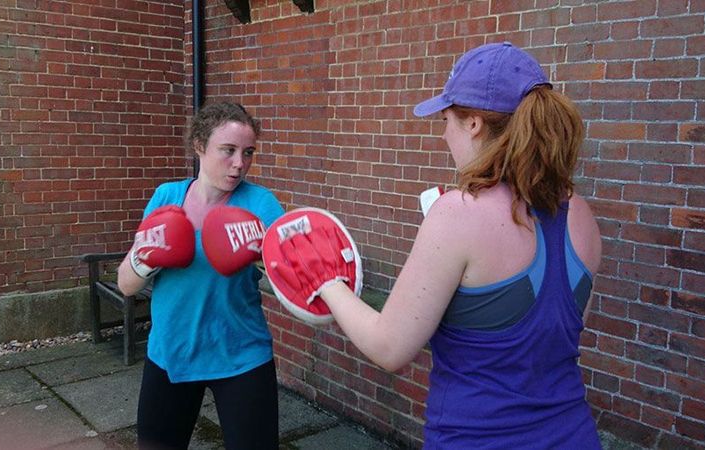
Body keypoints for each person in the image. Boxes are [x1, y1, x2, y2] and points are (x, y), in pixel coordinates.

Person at [272, 42, 603, 449]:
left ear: (474, 124)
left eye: (447, 119)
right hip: (574, 436)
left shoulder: (458, 212)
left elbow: (389, 347)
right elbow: (547, 336)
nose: (444, 133)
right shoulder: (581, 215)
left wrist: (326, 281)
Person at [117, 102, 285, 449]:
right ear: (199, 146)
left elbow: (288, 285)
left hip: (241, 355)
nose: (240, 163)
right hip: (171, 352)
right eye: (228, 150)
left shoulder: (261, 204)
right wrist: (148, 258)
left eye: (248, 152)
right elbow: (126, 284)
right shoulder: (168, 197)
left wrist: (261, 258)